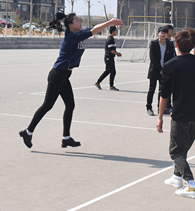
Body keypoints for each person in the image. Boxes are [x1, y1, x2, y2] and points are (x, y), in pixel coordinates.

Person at [19, 13, 122, 149]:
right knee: (47, 105)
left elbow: (93, 28)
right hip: (57, 75)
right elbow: (93, 31)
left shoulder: (77, 33)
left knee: (70, 105)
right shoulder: (71, 37)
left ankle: (66, 138)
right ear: (70, 25)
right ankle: (28, 132)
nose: (80, 22)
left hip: (64, 76)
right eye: (77, 20)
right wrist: (110, 22)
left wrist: (108, 23)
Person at [156, 28, 195, 199]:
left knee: (176, 152)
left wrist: (160, 117)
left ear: (176, 45)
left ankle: (191, 185)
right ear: (194, 45)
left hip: (181, 114)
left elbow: (164, 95)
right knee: (184, 148)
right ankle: (176, 177)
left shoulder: (170, 65)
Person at [147, 25, 176, 116]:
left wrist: (166, 69)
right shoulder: (154, 43)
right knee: (152, 89)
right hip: (155, 70)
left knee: (162, 90)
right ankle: (149, 107)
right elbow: (153, 58)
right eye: (162, 33)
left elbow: (171, 58)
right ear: (158, 33)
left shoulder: (170, 44)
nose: (163, 35)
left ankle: (160, 108)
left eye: (165, 33)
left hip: (165, 70)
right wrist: (160, 69)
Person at [94, 25, 121, 90]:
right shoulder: (110, 39)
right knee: (113, 72)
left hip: (110, 57)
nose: (116, 32)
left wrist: (116, 52)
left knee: (108, 71)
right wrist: (117, 53)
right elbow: (111, 50)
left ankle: (98, 82)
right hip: (108, 58)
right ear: (113, 31)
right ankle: (111, 86)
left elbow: (112, 49)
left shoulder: (112, 39)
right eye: (116, 31)